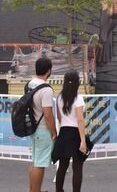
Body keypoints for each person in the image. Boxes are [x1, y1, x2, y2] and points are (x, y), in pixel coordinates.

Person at [52, 70, 87, 192]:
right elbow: (80, 120)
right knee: (77, 167)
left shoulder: (59, 97)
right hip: (75, 133)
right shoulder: (78, 98)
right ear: (77, 83)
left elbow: (59, 117)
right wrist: (83, 140)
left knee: (62, 165)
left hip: (64, 132)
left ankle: (59, 190)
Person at [28, 57, 57, 192]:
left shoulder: (30, 84)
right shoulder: (46, 89)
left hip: (33, 127)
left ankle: (32, 190)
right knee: (40, 164)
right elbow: (48, 114)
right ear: (49, 70)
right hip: (43, 130)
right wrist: (54, 132)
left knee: (35, 161)